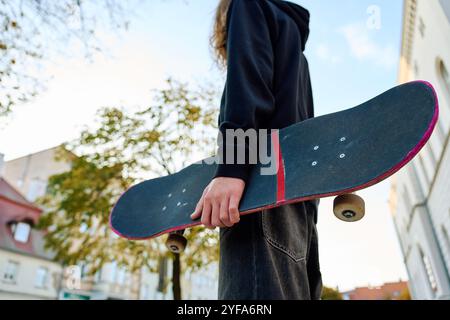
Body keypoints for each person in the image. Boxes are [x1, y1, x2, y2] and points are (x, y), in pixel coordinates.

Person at [191, 0, 322, 300]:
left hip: (257, 192)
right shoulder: (298, 56)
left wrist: (232, 169)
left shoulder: (247, 5)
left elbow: (248, 83)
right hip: (301, 206)